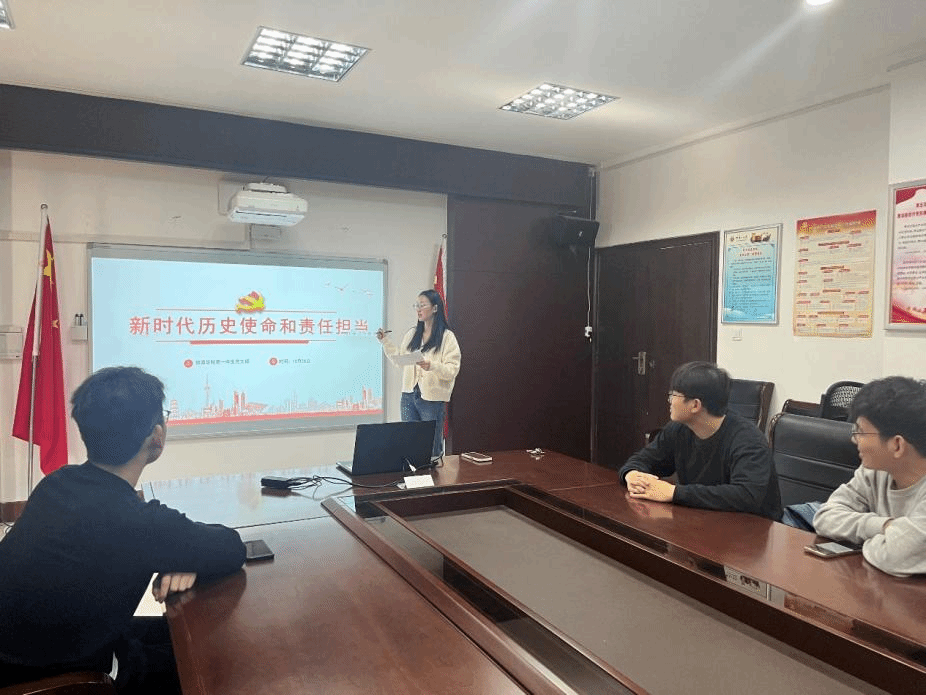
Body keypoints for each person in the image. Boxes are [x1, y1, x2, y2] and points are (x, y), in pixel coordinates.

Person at [0, 366, 246, 693]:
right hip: (60, 678)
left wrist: (181, 556)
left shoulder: (57, 483)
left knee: (175, 635)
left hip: (21, 652)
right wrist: (183, 555)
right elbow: (232, 548)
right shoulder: (142, 523)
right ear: (157, 436)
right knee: (214, 664)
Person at [618, 361, 782, 520]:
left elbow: (746, 495)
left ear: (695, 405)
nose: (670, 401)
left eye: (674, 395)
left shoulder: (748, 440)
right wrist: (632, 475)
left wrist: (674, 493)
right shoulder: (678, 429)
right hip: (703, 519)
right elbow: (645, 459)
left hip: (752, 528)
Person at [812, 376, 926, 577]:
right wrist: (884, 526)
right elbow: (825, 518)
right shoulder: (874, 472)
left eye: (861, 432)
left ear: (897, 445)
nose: (853, 439)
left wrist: (868, 539)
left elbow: (896, 557)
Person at [377, 289, 461, 458]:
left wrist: (432, 366)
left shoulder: (447, 337)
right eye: (416, 305)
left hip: (432, 399)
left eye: (422, 305)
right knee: (410, 444)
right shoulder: (412, 334)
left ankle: (434, 475)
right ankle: (414, 475)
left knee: (432, 448)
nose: (418, 309)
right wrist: (385, 341)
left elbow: (452, 370)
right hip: (408, 396)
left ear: (435, 308)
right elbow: (399, 359)